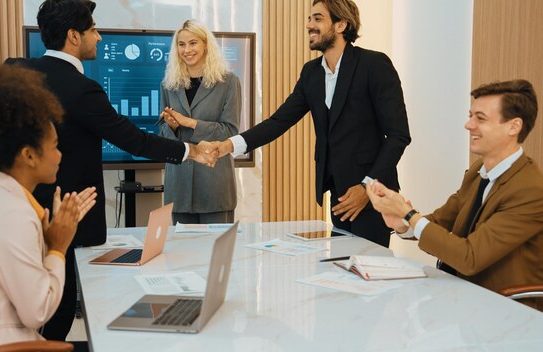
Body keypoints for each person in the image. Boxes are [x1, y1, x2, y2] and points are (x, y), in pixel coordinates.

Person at [5, 0, 217, 340]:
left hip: (22, 213)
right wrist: (190, 150)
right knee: (56, 313)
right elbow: (133, 139)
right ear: (73, 36)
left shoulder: (15, 72)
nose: (100, 38)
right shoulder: (81, 89)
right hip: (67, 217)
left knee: (32, 311)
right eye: (93, 30)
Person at [211, 0, 411, 247]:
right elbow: (278, 121)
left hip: (373, 196)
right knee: (341, 271)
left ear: (341, 25)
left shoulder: (374, 65)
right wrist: (229, 146)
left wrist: (366, 187)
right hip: (338, 195)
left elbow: (398, 136)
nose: (309, 25)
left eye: (317, 18)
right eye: (309, 19)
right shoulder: (311, 73)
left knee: (368, 272)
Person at [0, 58, 97, 351]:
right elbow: (38, 311)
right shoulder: (10, 214)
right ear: (29, 155)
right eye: (54, 146)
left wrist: (49, 235)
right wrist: (58, 247)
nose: (60, 155)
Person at [366, 79, 543, 312]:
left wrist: (408, 213)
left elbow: (470, 257)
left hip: (503, 309)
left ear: (513, 126)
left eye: (480, 118)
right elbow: (439, 221)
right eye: (471, 116)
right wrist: (402, 223)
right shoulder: (478, 173)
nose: (468, 125)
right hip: (460, 293)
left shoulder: (530, 191)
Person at [158, 19, 240, 224]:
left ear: (205, 45)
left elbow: (230, 131)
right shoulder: (168, 85)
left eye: (193, 43)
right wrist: (173, 128)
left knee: (217, 256)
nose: (187, 50)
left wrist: (190, 123)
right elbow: (162, 135)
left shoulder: (228, 82)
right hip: (179, 188)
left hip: (215, 187)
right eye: (181, 44)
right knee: (182, 255)